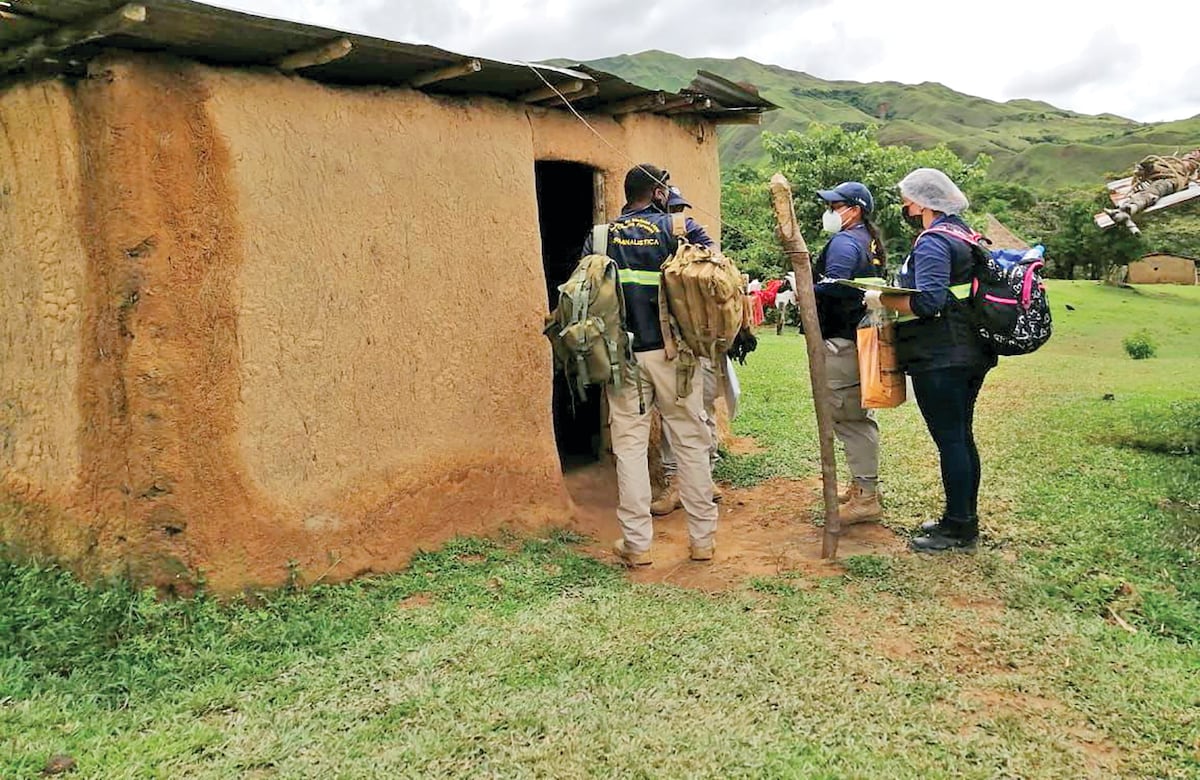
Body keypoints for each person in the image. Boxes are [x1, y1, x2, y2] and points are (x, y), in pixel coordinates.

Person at [579, 165, 718, 565]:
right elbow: (716, 270)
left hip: (623, 358)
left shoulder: (601, 236)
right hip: (676, 356)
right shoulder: (681, 227)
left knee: (630, 447)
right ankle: (702, 540)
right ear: (659, 192)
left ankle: (637, 546)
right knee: (692, 443)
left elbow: (586, 294)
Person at [863, 168, 996, 552]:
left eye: (908, 197)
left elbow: (928, 301)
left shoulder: (933, 242)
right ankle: (962, 519)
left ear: (923, 202)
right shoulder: (963, 233)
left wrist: (880, 298)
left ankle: (958, 529)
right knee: (960, 437)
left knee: (951, 439)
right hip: (968, 350)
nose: (905, 204)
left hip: (942, 355)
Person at [813, 181, 887, 524]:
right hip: (858, 337)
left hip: (841, 341)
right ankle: (862, 486)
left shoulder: (844, 242)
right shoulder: (866, 241)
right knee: (854, 414)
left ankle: (867, 495)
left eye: (834, 205)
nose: (829, 211)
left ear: (853, 209)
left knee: (849, 417)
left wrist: (801, 286)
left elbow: (835, 289)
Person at [652, 184, 721, 515]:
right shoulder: (655, 248)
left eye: (679, 211)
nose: (677, 218)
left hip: (697, 342)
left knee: (700, 408)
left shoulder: (700, 256)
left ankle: (704, 477)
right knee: (675, 412)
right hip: (671, 344)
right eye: (672, 210)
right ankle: (676, 481)